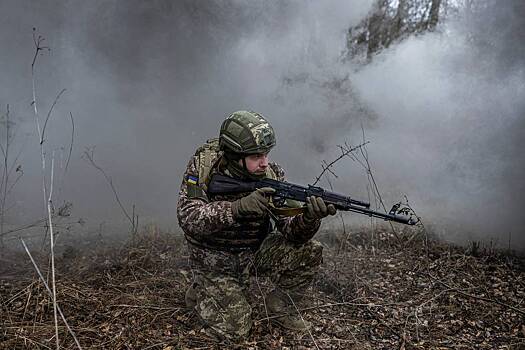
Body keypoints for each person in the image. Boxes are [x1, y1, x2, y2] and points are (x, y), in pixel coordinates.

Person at [177, 110, 336, 340]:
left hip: (254, 253)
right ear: (234, 155)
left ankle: (280, 305)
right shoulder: (204, 168)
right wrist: (236, 209)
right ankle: (201, 290)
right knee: (236, 331)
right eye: (256, 156)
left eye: (266, 154)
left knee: (311, 250)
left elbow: (291, 231)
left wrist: (309, 218)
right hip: (215, 261)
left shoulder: (271, 174)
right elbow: (188, 218)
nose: (265, 163)